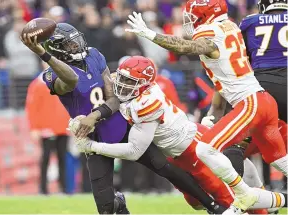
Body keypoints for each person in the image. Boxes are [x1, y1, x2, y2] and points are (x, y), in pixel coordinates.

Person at [21, 22, 229, 214]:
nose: (77, 45)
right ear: (58, 49)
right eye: (70, 44)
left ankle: (212, 205)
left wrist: (94, 115)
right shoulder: (52, 75)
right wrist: (42, 53)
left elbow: (113, 98)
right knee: (106, 208)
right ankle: (118, 204)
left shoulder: (94, 55)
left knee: (166, 168)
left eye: (76, 40)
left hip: (120, 125)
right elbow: (72, 79)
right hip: (93, 139)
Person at [124, 0, 287, 211]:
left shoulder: (211, 31)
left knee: (206, 149)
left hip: (251, 102)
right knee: (279, 160)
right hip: (261, 100)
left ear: (205, 15)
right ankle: (277, 200)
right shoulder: (230, 26)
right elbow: (224, 80)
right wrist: (213, 113)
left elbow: (188, 47)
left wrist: (151, 35)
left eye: (193, 16)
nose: (190, 21)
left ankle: (244, 193)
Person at [74, 56, 287, 214]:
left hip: (194, 151)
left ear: (143, 85)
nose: (122, 84)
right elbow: (112, 96)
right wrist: (88, 116)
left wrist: (92, 146)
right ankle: (269, 200)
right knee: (195, 202)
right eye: (122, 78)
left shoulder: (147, 103)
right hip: (180, 150)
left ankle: (276, 203)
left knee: (231, 204)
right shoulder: (135, 89)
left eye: (129, 81)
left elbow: (134, 150)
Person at [239, 0, 288, 190]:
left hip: (261, 87)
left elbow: (240, 58)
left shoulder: (250, 21)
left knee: (236, 144)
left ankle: (236, 198)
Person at [25, 71, 70, 194]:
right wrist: (34, 127)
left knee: (62, 159)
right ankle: (43, 189)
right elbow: (32, 106)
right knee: (45, 158)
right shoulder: (38, 84)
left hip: (63, 127)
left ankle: (63, 189)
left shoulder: (64, 79)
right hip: (46, 128)